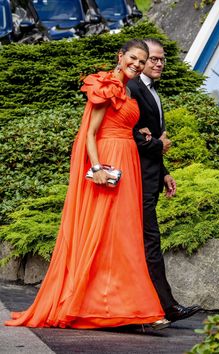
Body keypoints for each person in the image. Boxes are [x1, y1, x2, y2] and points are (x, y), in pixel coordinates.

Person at [5, 39, 169, 330]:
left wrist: (140, 131)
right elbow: (91, 133)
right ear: (121, 56)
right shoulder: (105, 85)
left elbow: (121, 124)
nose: (138, 64)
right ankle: (110, 307)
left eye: (142, 61)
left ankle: (127, 307)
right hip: (109, 162)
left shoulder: (128, 90)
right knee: (106, 235)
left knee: (123, 236)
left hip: (128, 162)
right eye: (134, 58)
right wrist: (96, 168)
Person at [127, 38, 201, 323]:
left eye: (162, 59)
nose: (158, 63)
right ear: (141, 59)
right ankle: (164, 306)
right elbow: (129, 135)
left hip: (151, 177)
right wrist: (159, 146)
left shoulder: (151, 90)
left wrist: (165, 171)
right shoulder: (132, 88)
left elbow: (151, 137)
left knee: (146, 242)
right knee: (149, 242)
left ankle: (151, 307)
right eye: (153, 59)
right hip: (136, 179)